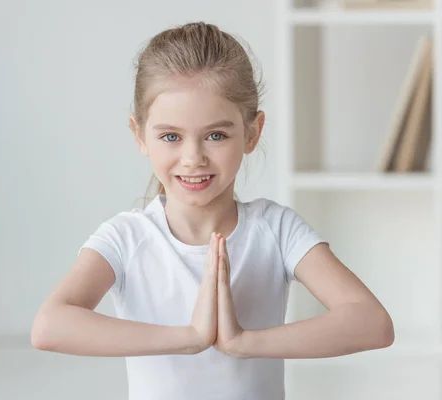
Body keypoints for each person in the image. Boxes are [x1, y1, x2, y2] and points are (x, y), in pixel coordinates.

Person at [31, 21, 394, 400]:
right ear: (140, 135)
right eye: (171, 136)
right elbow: (49, 326)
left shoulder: (277, 230)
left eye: (216, 135)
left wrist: (243, 342)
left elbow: (373, 323)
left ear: (252, 133)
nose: (193, 158)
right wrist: (189, 338)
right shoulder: (126, 239)